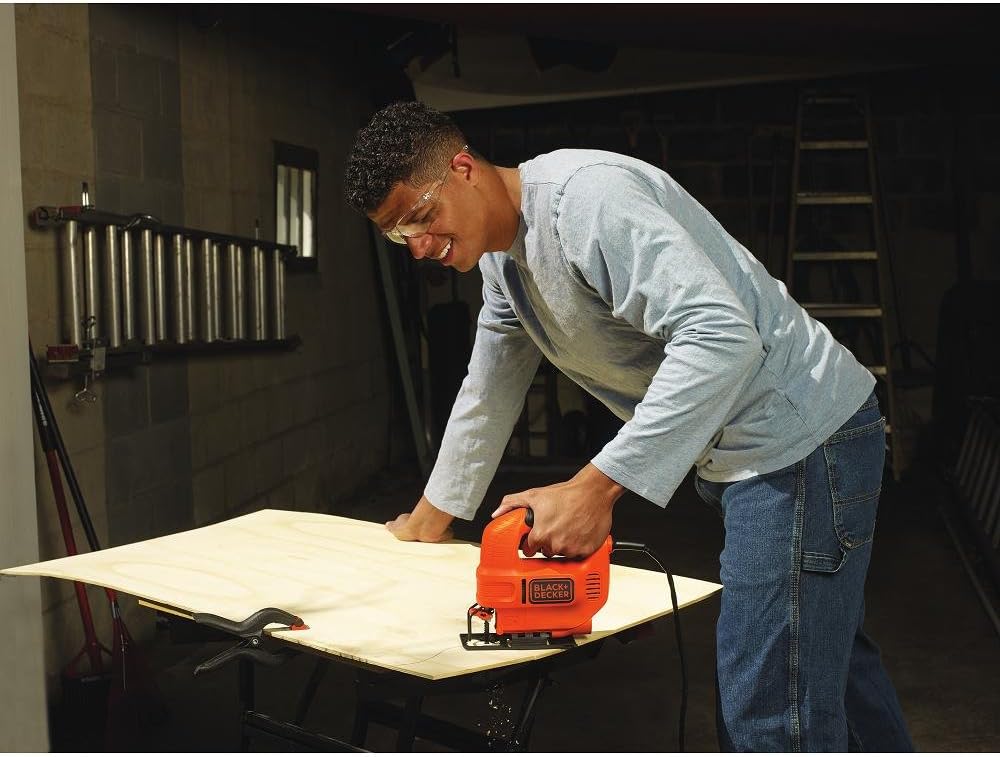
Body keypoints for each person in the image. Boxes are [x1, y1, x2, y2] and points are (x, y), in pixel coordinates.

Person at [344, 100, 914, 752]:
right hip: (775, 446)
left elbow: (722, 336)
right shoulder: (505, 262)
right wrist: (428, 519)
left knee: (766, 717)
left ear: (464, 168)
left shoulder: (588, 203)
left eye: (421, 217)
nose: (419, 246)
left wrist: (595, 487)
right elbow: (491, 384)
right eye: (398, 237)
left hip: (800, 439)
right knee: (828, 670)